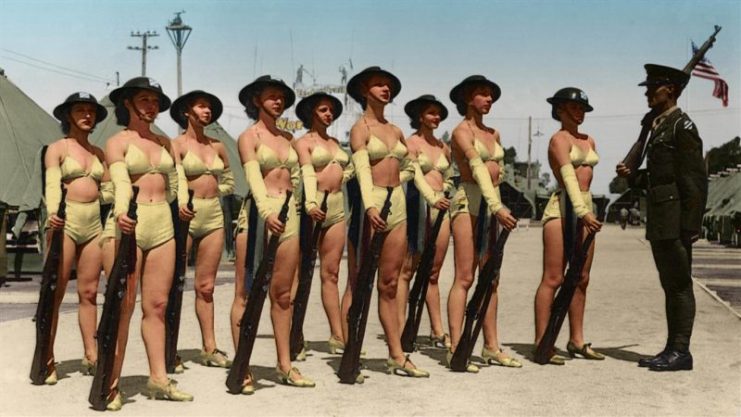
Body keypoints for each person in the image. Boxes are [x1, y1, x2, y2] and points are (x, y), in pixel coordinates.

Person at [101, 77, 193, 410]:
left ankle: (158, 378)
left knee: (156, 306)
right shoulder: (117, 142)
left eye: (155, 101)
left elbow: (177, 179)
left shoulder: (165, 142)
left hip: (163, 225)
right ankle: (110, 381)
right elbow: (122, 183)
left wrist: (182, 202)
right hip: (129, 224)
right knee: (122, 307)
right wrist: (123, 212)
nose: (151, 106)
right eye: (144, 99)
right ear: (127, 103)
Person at [616, 64, 707, 371]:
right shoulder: (658, 126)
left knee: (680, 284)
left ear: (670, 90)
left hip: (676, 218)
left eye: (653, 88)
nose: (647, 92)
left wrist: (691, 226)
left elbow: (694, 179)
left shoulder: (682, 127)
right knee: (670, 284)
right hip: (661, 215)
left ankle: (681, 351)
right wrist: (632, 177)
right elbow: (660, 177)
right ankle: (672, 349)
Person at [233, 75, 315, 393]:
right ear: (256, 100)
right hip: (258, 215)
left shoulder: (288, 138)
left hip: (288, 215)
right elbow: (254, 177)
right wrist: (266, 212)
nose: (278, 101)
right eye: (271, 96)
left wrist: (306, 204)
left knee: (283, 295)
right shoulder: (248, 136)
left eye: (281, 97)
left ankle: (285, 364)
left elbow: (298, 175)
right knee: (246, 293)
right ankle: (243, 366)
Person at [347, 66, 429, 378]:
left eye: (388, 85)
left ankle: (396, 354)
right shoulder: (360, 128)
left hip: (397, 203)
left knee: (391, 282)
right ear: (364, 91)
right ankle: (351, 347)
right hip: (374, 203)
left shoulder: (395, 130)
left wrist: (426, 194)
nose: (386, 89)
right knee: (362, 280)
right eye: (378, 84)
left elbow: (410, 166)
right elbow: (363, 170)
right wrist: (369, 205)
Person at [447, 75, 520, 372]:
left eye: (491, 94)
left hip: (493, 205)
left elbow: (497, 173)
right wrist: (496, 206)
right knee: (465, 276)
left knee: (490, 277)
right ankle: (456, 346)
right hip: (470, 202)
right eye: (482, 94)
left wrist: (498, 204)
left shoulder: (495, 132)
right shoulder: (460, 131)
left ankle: (491, 346)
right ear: (468, 98)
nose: (488, 99)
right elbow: (476, 168)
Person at [41, 92, 109, 384]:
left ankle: (91, 354)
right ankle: (46, 357)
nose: (87, 115)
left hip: (93, 223)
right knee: (54, 293)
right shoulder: (57, 148)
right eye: (80, 110)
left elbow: (108, 190)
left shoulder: (99, 153)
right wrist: (54, 213)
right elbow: (53, 185)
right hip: (64, 221)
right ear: (68, 115)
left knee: (90, 292)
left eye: (91, 111)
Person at [534, 87, 603, 365]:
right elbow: (569, 178)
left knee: (581, 278)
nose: (579, 113)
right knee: (554, 278)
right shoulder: (558, 139)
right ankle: (542, 342)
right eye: (573, 107)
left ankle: (576, 339)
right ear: (560, 109)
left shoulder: (590, 140)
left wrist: (587, 210)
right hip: (563, 207)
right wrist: (582, 211)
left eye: (583, 108)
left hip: (585, 207)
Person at [170, 90, 234, 369]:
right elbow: (175, 178)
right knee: (174, 284)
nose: (207, 111)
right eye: (201, 106)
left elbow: (230, 180)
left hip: (213, 216)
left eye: (210, 107)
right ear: (187, 111)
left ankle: (209, 348)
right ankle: (168, 350)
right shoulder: (176, 145)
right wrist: (183, 202)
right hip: (185, 216)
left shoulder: (218, 146)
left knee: (206, 287)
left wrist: (216, 190)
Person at [293, 92, 353, 355]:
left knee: (331, 274)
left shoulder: (337, 142)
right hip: (312, 207)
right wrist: (310, 204)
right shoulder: (302, 142)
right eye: (323, 110)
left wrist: (344, 175)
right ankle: (295, 334)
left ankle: (337, 335)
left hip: (338, 208)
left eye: (331, 111)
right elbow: (307, 173)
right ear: (310, 113)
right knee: (301, 273)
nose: (328, 115)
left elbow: (348, 168)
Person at [396, 95, 453, 348]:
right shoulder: (410, 143)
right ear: (420, 116)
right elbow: (414, 174)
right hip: (416, 207)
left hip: (441, 209)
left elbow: (449, 175)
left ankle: (437, 329)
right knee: (407, 270)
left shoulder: (444, 147)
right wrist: (430, 199)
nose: (436, 117)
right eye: (431, 113)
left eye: (439, 113)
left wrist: (445, 192)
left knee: (433, 271)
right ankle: (399, 327)